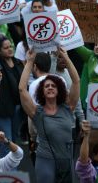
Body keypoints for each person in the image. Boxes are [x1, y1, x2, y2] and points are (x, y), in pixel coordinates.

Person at [19, 47, 80, 183]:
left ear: (59, 90)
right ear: (42, 92)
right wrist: (29, 62)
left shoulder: (68, 108)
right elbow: (22, 89)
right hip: (45, 160)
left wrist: (66, 58)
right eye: (47, 86)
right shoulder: (37, 112)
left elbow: (76, 82)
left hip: (66, 160)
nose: (50, 87)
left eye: (53, 85)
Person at [0, 26, 24, 157]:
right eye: (6, 47)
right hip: (2, 110)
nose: (10, 49)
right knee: (6, 144)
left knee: (15, 142)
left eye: (10, 46)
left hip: (18, 109)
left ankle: (13, 170)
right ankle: (7, 176)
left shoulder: (19, 63)